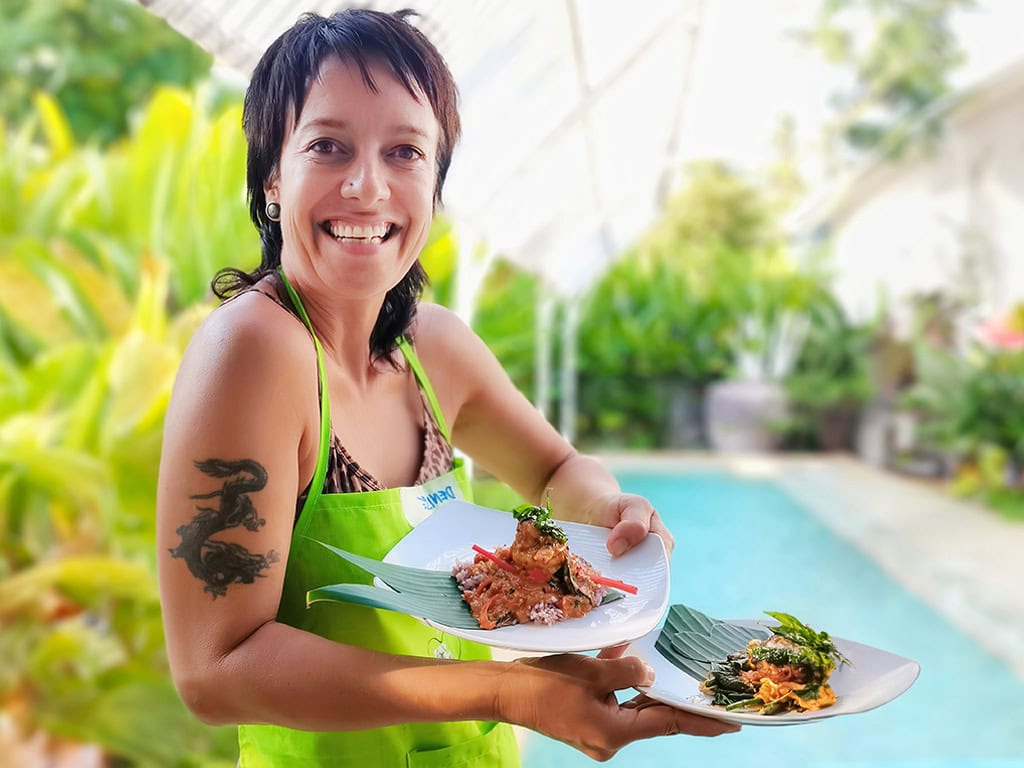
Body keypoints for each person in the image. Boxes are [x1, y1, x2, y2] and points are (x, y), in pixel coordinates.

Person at [156, 8, 738, 767]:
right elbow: (215, 670)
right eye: (329, 146)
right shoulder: (256, 351)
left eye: (405, 151)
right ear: (272, 176)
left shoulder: (434, 348)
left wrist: (610, 513)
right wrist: (505, 691)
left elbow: (556, 469)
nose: (368, 187)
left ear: (435, 183)